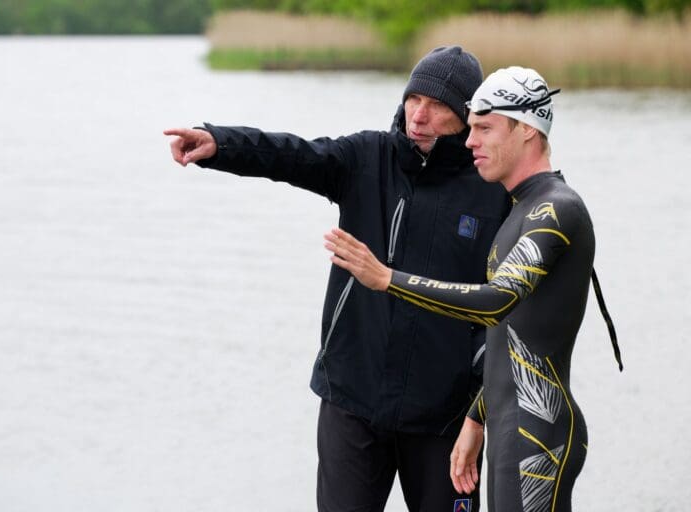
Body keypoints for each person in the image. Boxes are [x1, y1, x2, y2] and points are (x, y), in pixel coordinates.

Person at [164, 46, 510, 512]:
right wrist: (220, 144)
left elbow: (503, 313)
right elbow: (292, 155)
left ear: (466, 116)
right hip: (353, 398)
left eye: (437, 105)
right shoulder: (367, 157)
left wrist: (478, 415)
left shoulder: (491, 189)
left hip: (443, 418)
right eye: (413, 99)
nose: (419, 115)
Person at [324, 66, 622, 512]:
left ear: (526, 130)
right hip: (507, 428)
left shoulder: (556, 210)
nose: (469, 140)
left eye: (484, 128)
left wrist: (387, 278)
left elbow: (496, 302)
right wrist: (475, 418)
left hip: (537, 436)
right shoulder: (520, 210)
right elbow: (512, 338)